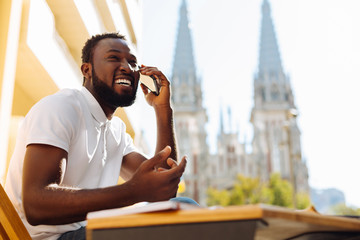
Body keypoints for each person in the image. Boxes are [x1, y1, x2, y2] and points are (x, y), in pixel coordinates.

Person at [5, 32, 190, 240]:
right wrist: (133, 191)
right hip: (47, 238)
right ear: (87, 70)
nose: (127, 67)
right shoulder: (62, 107)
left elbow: (164, 188)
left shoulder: (116, 130)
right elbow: (36, 205)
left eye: (133, 62)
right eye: (113, 58)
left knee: (184, 209)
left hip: (86, 233)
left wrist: (163, 109)